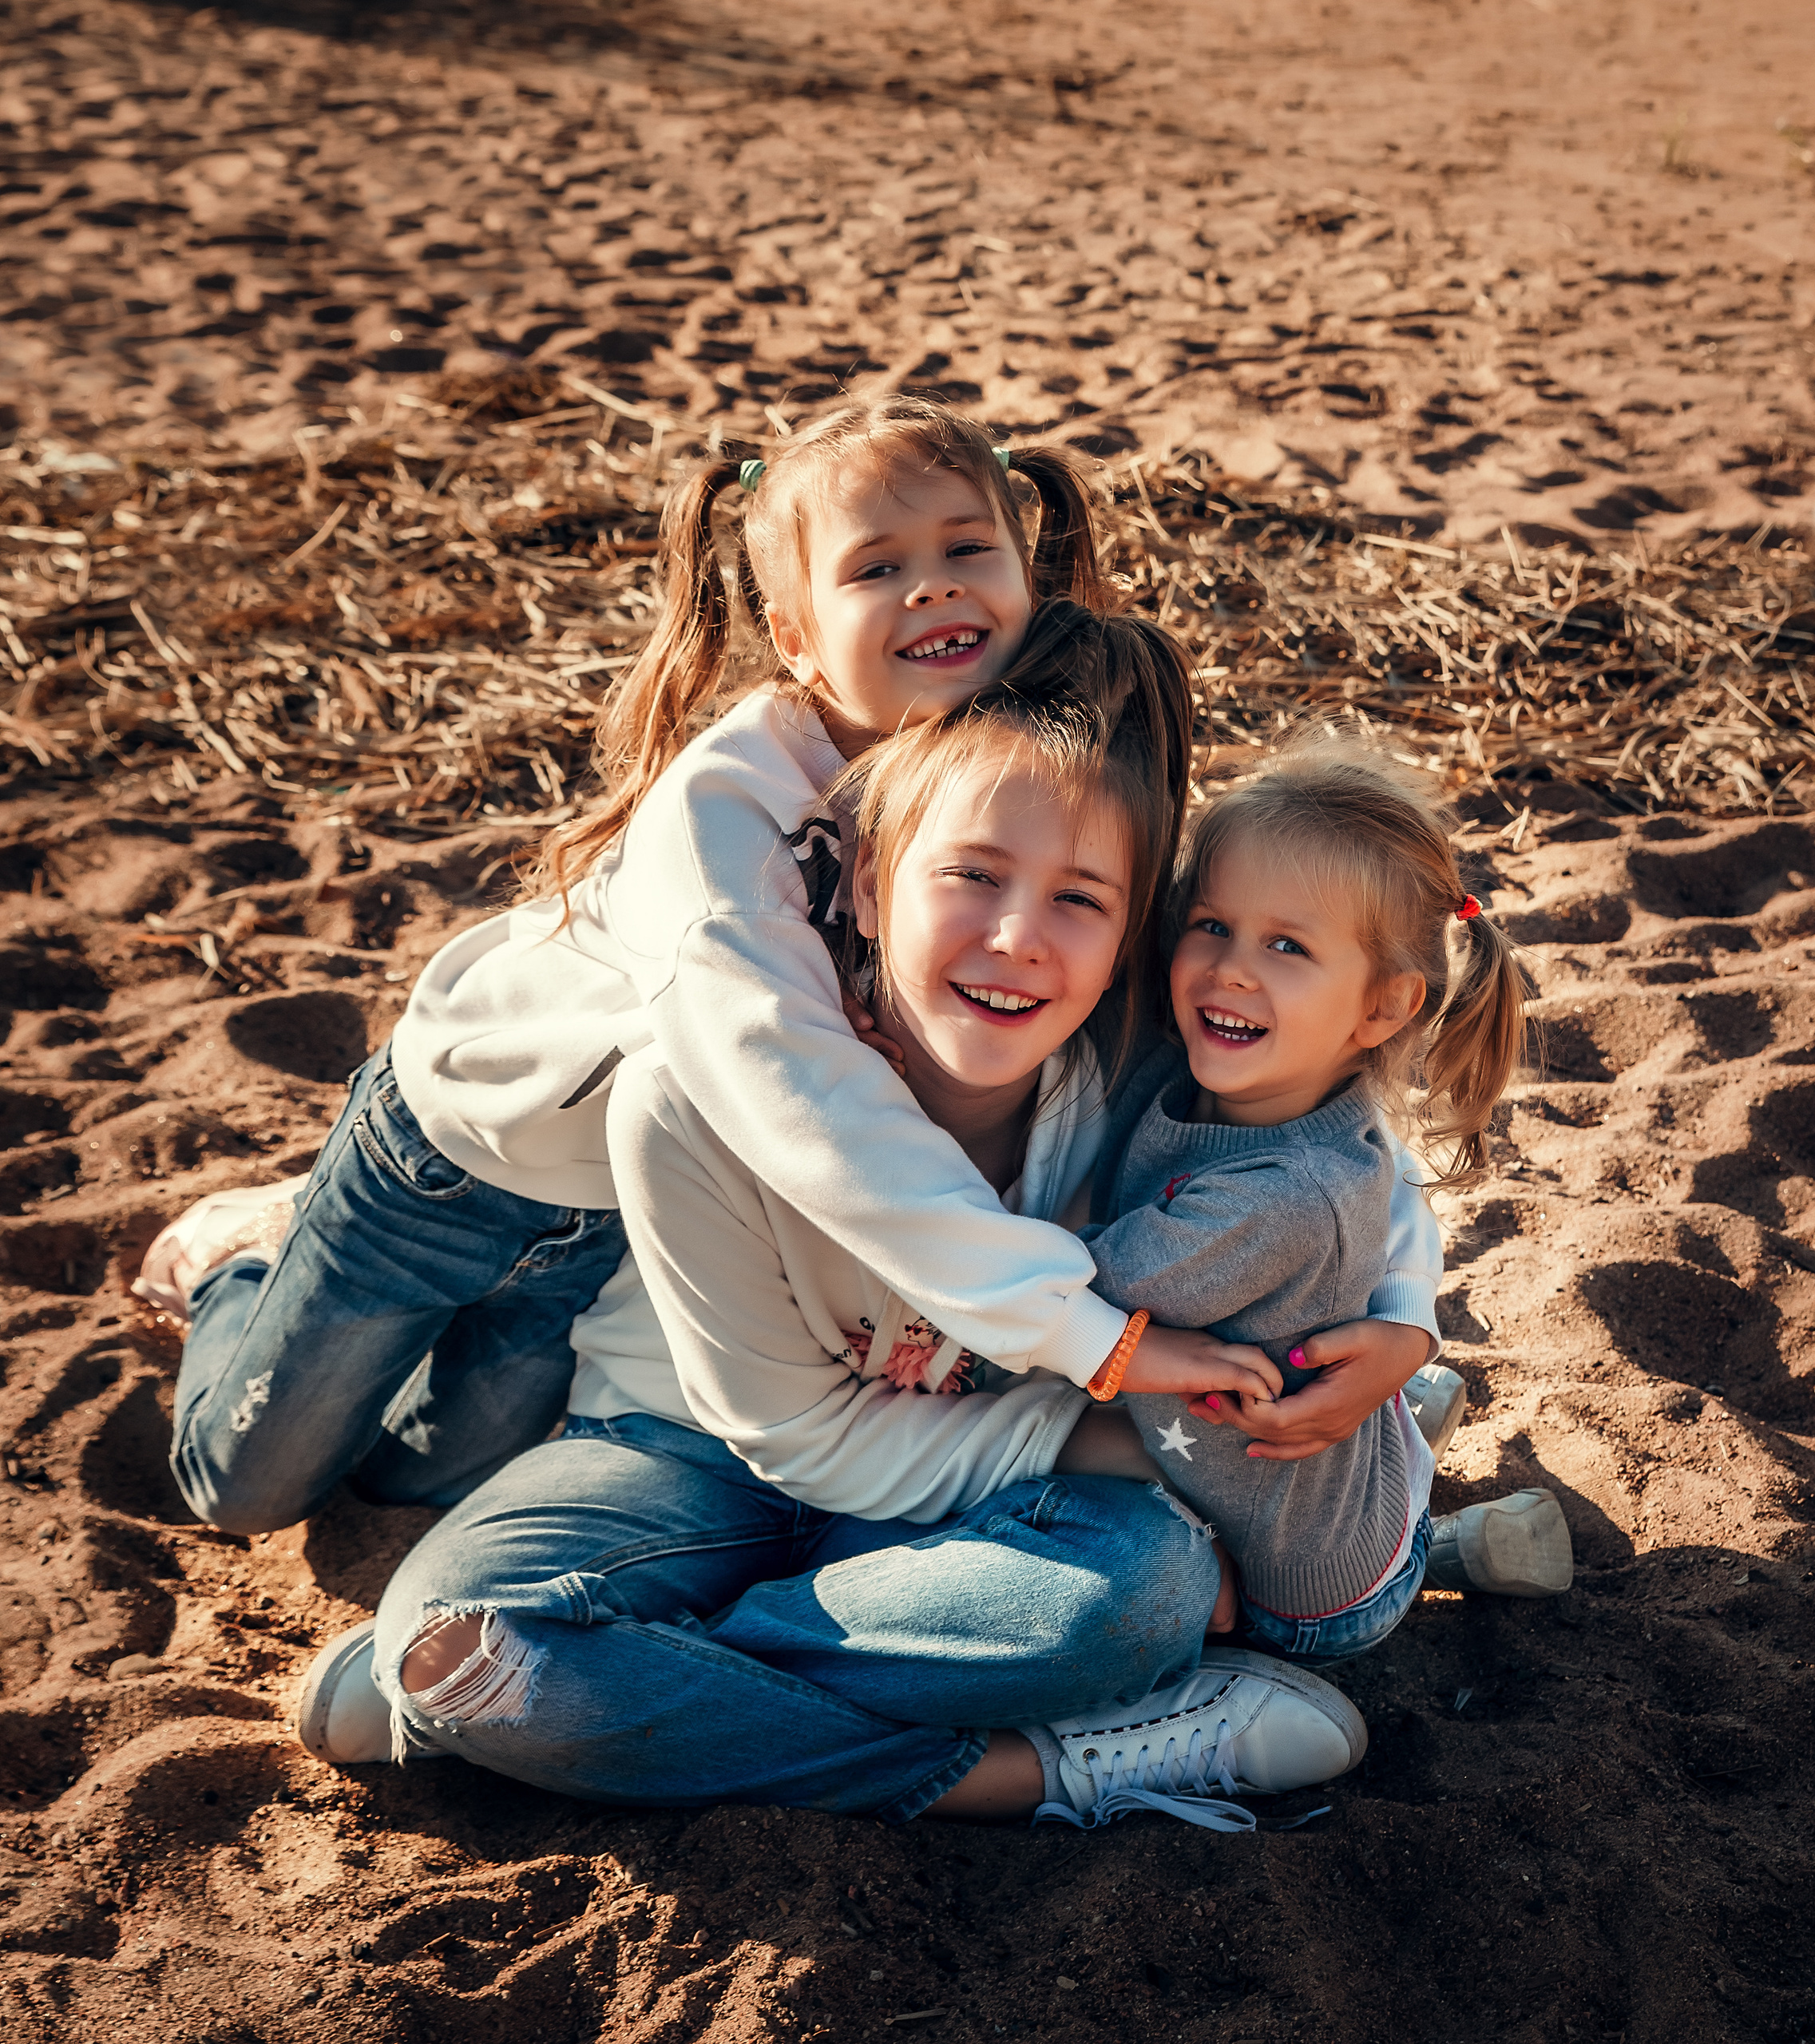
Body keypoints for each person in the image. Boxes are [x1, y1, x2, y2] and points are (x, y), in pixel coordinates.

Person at [147, 398, 1439, 1537]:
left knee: (426, 1476)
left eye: (967, 552)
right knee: (250, 1484)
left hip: (623, 1211)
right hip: (462, 1157)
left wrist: (1404, 1307)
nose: (933, 589)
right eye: (880, 567)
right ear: (798, 635)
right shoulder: (724, 823)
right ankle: (242, 1255)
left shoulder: (1029, 776)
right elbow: (805, 1109)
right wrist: (1099, 1344)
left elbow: (1276, 1054)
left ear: (1031, 582)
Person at [299, 619, 1383, 1831]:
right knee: (462, 1639)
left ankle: (581, 1705)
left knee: (1144, 1592)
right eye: (971, 875)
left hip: (985, 1505)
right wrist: (1095, 1447)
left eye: (1080, 900)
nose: (1019, 937)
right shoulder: (702, 1093)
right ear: (869, 883)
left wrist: (1405, 1324)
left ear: (1129, 933)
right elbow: (798, 1441)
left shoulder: (1135, 1060)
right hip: (686, 1457)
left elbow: (1326, 1150)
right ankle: (1052, 1769)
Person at [1069, 735, 1575, 1690]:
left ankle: (1449, 1547)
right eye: (1211, 924)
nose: (1230, 969)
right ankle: (1411, 1460)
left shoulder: (1283, 1198)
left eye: (1286, 946)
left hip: (1313, 1599)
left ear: (1381, 1010)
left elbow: (1064, 1288)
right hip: (1307, 1475)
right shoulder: (1263, 1088)